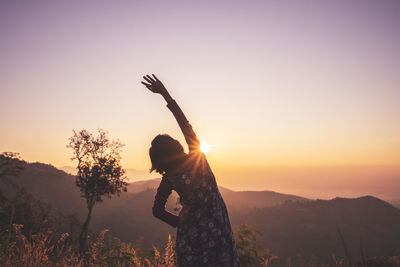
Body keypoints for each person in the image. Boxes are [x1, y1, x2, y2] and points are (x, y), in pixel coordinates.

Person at [141, 74, 240, 267]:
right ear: (176, 147)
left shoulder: (169, 178)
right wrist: (165, 94)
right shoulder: (197, 160)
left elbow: (157, 211)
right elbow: (185, 124)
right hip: (218, 232)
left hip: (190, 238)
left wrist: (177, 221)